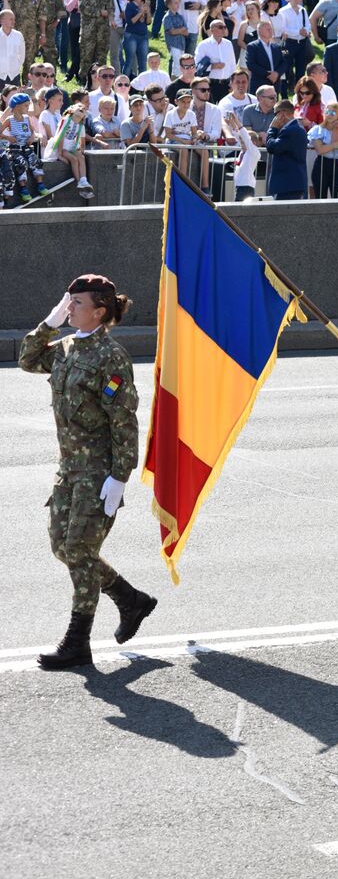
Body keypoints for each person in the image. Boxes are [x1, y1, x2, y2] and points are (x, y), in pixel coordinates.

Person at [19, 275, 156, 670]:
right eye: (68, 303)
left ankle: (78, 642)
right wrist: (50, 321)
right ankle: (130, 599)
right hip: (68, 471)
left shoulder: (110, 357)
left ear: (99, 311)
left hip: (98, 472)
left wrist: (120, 476)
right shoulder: (63, 349)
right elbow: (28, 358)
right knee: (62, 547)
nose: (70, 309)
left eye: (76, 304)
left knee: (79, 550)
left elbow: (123, 421)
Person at [264, 99, 308, 200]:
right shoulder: (297, 128)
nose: (274, 117)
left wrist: (272, 129)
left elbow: (272, 147)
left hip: (288, 185)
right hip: (291, 184)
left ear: (282, 114)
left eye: (275, 114)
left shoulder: (290, 130)